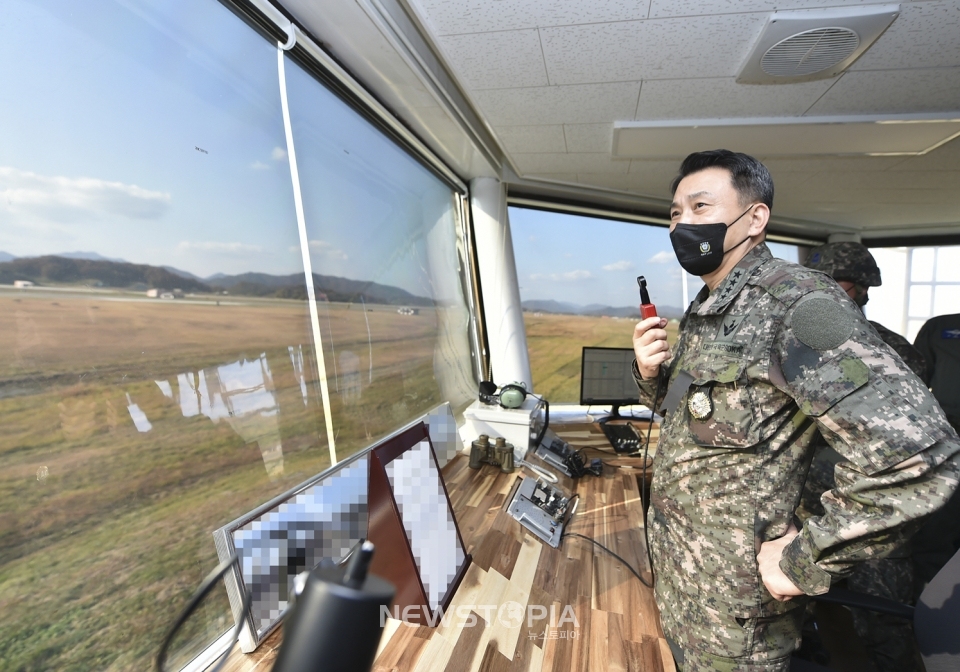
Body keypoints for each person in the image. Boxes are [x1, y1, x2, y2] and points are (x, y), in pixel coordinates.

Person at [631, 149, 960, 672]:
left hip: (738, 619)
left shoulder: (798, 303)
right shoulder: (710, 310)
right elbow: (694, 420)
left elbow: (920, 455)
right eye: (675, 213)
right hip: (686, 591)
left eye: (700, 207)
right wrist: (652, 378)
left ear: (754, 218)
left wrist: (807, 558)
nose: (683, 224)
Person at [801, 242, 929, 672]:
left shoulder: (892, 353)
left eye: (835, 284)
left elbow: (904, 449)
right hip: (807, 517)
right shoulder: (797, 349)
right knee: (813, 621)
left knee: (883, 624)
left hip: (872, 519)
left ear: (860, 289)